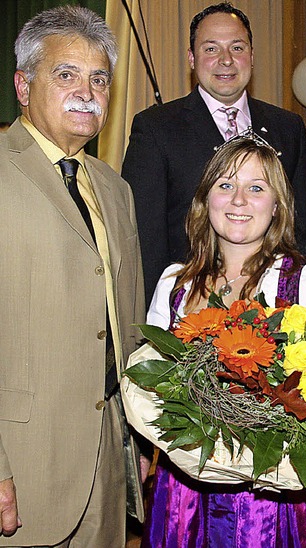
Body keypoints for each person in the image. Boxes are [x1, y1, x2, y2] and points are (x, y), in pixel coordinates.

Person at [140, 134, 306, 547]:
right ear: (206, 201)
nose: (239, 199)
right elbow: (152, 389)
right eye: (226, 185)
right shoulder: (174, 284)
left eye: (256, 188)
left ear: (277, 206)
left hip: (273, 498)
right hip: (183, 494)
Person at [0, 5, 145, 546]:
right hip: (23, 467)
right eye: (67, 75)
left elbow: (126, 327)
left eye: (100, 78)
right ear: (23, 84)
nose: (88, 92)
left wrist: (141, 439)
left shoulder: (115, 189)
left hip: (107, 464)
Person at [121, 2, 306, 306]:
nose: (226, 60)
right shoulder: (156, 128)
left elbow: (304, 225)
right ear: (192, 58)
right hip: (191, 305)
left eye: (237, 48)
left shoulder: (288, 127)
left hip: (275, 310)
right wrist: (157, 319)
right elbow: (144, 239)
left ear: (252, 57)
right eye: (211, 49)